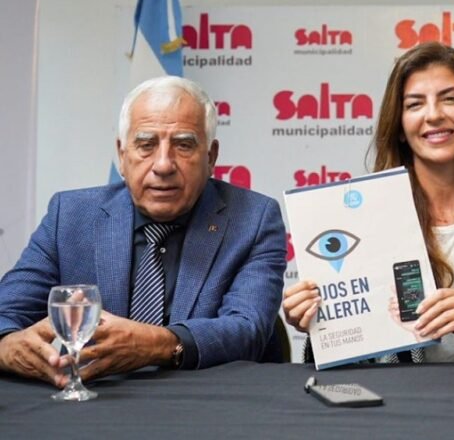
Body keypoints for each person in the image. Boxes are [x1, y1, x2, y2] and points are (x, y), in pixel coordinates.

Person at [0, 76, 287, 386]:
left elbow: (248, 330)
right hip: (98, 402)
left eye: (184, 145)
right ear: (122, 155)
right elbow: (8, 309)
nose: (163, 165)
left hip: (211, 401)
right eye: (146, 145)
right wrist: (6, 345)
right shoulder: (70, 216)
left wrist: (156, 345)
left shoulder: (253, 219)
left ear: (210, 157)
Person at [283, 42, 454, 362]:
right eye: (415, 104)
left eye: (450, 99)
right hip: (388, 396)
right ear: (400, 127)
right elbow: (349, 364)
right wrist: (318, 325)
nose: (434, 115)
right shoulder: (359, 225)